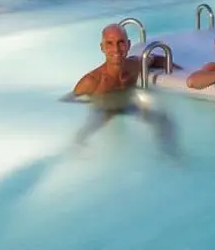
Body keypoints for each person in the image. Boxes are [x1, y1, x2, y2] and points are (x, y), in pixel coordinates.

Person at [70, 24, 179, 154]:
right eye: (109, 43)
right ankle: (75, 153)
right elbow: (70, 102)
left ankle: (169, 154)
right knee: (85, 134)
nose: (116, 49)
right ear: (102, 47)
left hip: (127, 103)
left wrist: (177, 69)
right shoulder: (91, 81)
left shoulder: (134, 65)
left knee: (162, 119)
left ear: (128, 45)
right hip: (103, 108)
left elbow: (155, 59)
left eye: (120, 42)